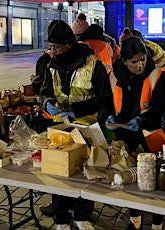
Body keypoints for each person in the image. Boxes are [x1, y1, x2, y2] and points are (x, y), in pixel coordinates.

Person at [40, 20, 114, 230]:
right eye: (51, 47)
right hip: (61, 130)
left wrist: (77, 111)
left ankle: (82, 217)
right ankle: (61, 219)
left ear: (69, 45)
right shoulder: (51, 66)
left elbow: (104, 100)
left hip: (87, 129)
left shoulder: (93, 64)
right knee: (59, 172)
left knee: (86, 173)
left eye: (57, 47)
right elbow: (44, 92)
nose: (53, 51)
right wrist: (48, 103)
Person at [106, 36, 165, 230]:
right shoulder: (113, 76)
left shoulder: (158, 76)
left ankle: (157, 223)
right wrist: (107, 116)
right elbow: (105, 102)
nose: (140, 65)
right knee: (131, 181)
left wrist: (142, 120)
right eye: (134, 62)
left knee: (153, 182)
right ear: (124, 61)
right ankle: (134, 220)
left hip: (152, 138)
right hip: (125, 138)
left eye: (143, 59)